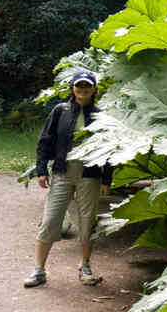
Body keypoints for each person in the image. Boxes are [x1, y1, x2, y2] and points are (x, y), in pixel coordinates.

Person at [24, 69, 112, 287]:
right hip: (63, 173)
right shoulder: (60, 111)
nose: (83, 89)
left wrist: (106, 180)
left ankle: (85, 267)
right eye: (79, 85)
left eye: (87, 86)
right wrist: (42, 169)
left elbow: (110, 149)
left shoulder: (101, 116)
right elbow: (45, 141)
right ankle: (39, 270)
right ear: (72, 88)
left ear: (94, 89)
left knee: (86, 222)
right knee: (51, 220)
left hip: (90, 175)